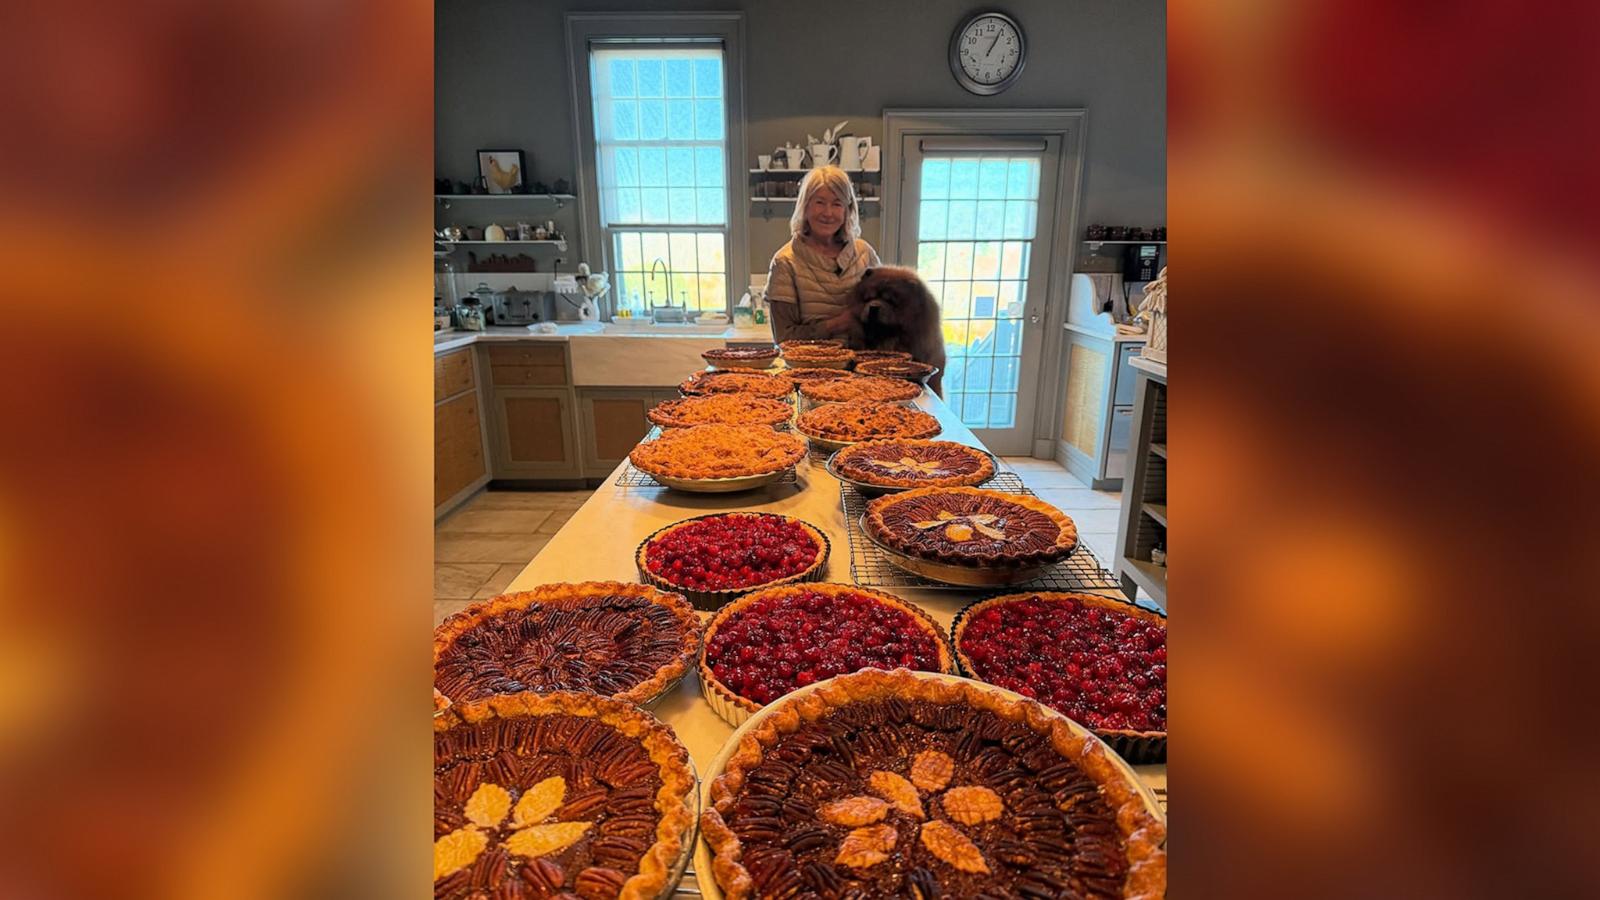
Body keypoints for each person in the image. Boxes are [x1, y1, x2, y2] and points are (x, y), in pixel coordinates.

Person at [763, 166, 881, 344]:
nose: (828, 213)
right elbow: (784, 339)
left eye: (837, 204)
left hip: (863, 366)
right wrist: (837, 324)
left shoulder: (865, 254)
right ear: (805, 206)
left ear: (847, 210)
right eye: (819, 202)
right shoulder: (785, 262)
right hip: (808, 369)